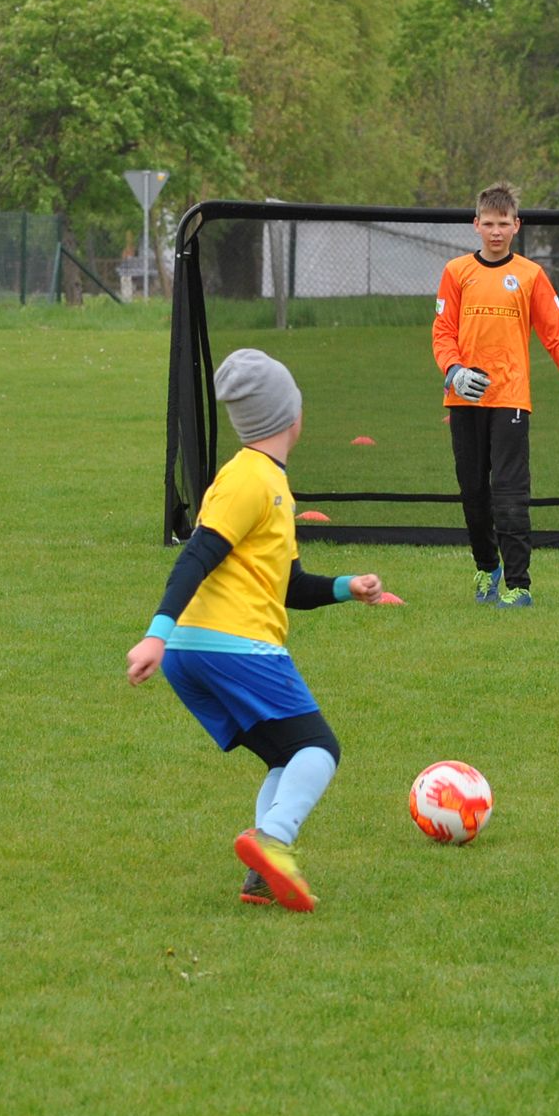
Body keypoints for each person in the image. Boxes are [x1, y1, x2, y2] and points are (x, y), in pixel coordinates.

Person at [126, 348, 384, 913]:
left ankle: (260, 877)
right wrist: (155, 633)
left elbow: (289, 586)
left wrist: (347, 587)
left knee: (286, 757)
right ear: (291, 414)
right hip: (231, 646)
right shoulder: (251, 480)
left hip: (194, 651)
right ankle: (273, 841)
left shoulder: (264, 481)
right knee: (318, 748)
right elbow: (196, 555)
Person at [431, 181, 559, 607]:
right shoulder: (456, 272)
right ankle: (487, 569)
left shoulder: (530, 275)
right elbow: (443, 333)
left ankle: (519, 586)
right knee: (473, 494)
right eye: (488, 224)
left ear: (516, 226)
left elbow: (557, 336)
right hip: (465, 400)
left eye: (503, 224)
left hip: (511, 400)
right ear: (476, 225)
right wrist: (454, 372)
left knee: (509, 496)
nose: (496, 231)